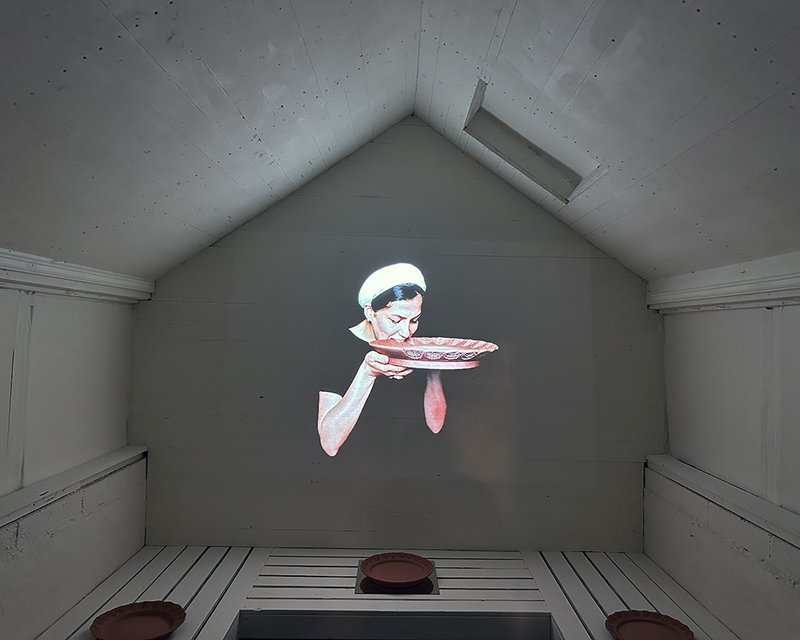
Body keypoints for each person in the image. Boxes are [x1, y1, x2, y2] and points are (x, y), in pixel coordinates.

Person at [317, 263, 447, 456]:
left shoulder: (414, 345)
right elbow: (330, 443)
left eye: (414, 320)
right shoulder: (336, 347)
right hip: (355, 464)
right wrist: (367, 373)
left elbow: (436, 426)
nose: (405, 333)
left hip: (406, 458)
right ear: (370, 312)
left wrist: (433, 371)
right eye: (395, 320)